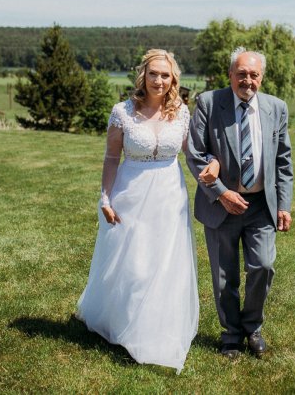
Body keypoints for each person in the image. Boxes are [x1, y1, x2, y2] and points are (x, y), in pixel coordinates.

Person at [75, 49, 218, 373]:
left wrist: (213, 164)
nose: (158, 80)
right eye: (153, 73)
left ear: (173, 79)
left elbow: (192, 153)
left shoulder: (181, 112)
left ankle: (156, 327)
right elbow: (112, 158)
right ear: (143, 75)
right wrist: (105, 197)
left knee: (164, 262)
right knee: (134, 264)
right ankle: (124, 324)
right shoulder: (122, 112)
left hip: (169, 194)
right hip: (131, 192)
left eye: (165, 75)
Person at [186, 47, 294, 358]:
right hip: (221, 204)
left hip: (261, 205)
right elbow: (195, 153)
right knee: (224, 274)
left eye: (254, 75)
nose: (247, 80)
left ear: (262, 77)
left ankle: (252, 327)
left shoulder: (277, 108)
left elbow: (283, 161)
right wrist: (220, 192)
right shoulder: (209, 103)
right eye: (241, 74)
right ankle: (231, 335)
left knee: (263, 265)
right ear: (231, 75)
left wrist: (283, 204)